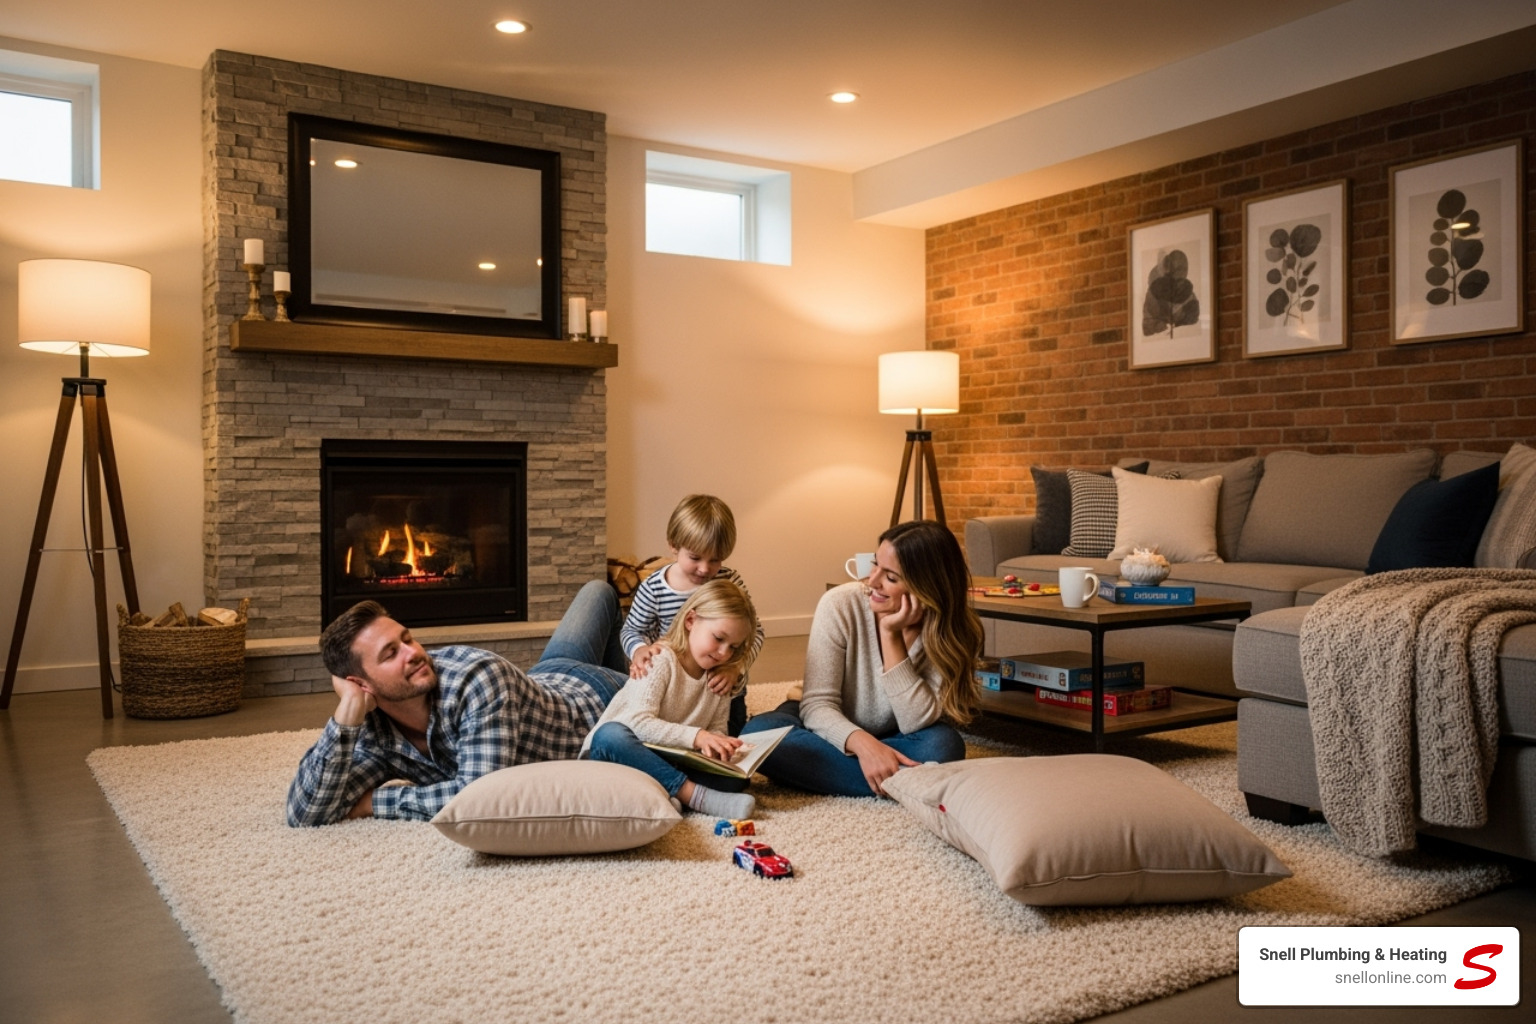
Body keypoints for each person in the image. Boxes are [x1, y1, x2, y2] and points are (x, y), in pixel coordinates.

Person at [286, 581, 630, 826]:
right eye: (391, 653)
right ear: (361, 685)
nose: (414, 653)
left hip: (596, 696)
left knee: (600, 591)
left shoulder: (478, 677)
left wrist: (376, 803)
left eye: (407, 639)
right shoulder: (373, 728)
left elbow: (480, 796)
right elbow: (307, 812)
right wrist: (346, 717)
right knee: (597, 593)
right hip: (541, 681)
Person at [741, 519, 983, 797]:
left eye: (891, 577)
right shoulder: (840, 604)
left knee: (944, 747)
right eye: (875, 564)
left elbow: (915, 723)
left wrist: (891, 635)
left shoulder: (953, 633)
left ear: (925, 587)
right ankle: (906, 782)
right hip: (826, 724)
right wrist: (865, 746)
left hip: (898, 733)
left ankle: (851, 773)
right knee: (757, 735)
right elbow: (818, 704)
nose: (873, 581)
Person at [583, 579, 760, 819]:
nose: (723, 653)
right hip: (620, 754)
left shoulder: (720, 676)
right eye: (718, 638)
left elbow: (716, 727)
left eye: (733, 647)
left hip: (669, 760)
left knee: (736, 779)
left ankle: (664, 793)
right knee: (610, 734)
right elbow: (635, 723)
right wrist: (697, 736)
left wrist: (720, 747)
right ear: (690, 621)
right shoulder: (660, 659)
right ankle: (691, 796)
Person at [620, 494, 764, 736]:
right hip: (675, 688)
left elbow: (755, 631)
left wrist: (736, 668)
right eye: (695, 558)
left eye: (715, 559)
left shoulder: (730, 580)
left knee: (734, 741)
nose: (705, 568)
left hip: (721, 684)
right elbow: (632, 630)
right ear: (674, 546)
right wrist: (639, 650)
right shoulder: (655, 587)